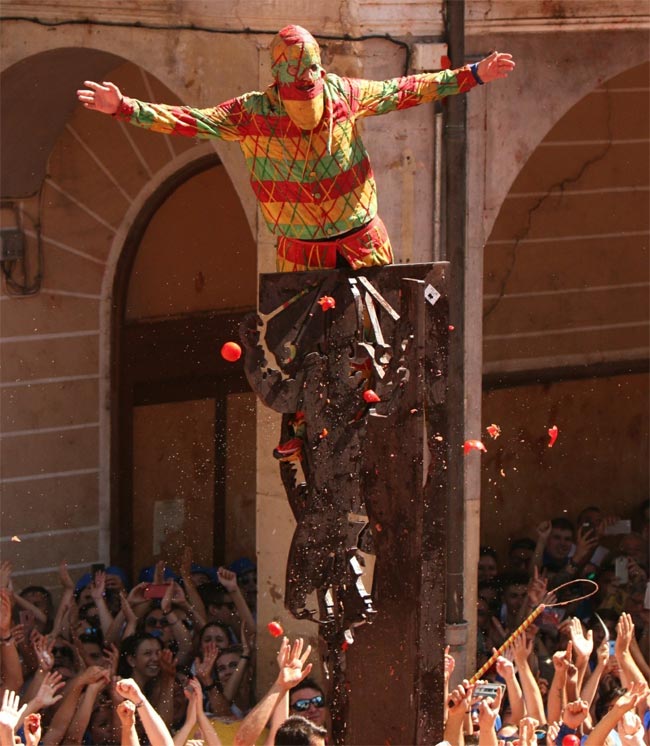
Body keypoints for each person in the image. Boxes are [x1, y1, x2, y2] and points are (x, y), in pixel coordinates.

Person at [77, 25, 514, 272]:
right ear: (279, 81)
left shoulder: (344, 93)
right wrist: (125, 108)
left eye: (312, 78)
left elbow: (408, 89)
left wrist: (473, 73)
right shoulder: (251, 113)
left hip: (363, 243)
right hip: (301, 254)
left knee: (382, 337)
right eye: (297, 83)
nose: (308, 89)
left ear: (321, 72)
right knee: (302, 351)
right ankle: (302, 428)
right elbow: (192, 121)